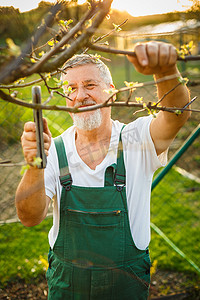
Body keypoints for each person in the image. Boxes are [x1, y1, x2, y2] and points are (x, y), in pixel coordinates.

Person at [15, 41, 190, 300]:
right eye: (71, 89)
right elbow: (29, 217)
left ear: (112, 91)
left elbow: (177, 115)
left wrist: (165, 71)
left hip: (126, 286)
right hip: (67, 287)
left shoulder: (137, 139)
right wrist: (35, 164)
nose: (80, 95)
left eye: (90, 85)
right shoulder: (54, 150)